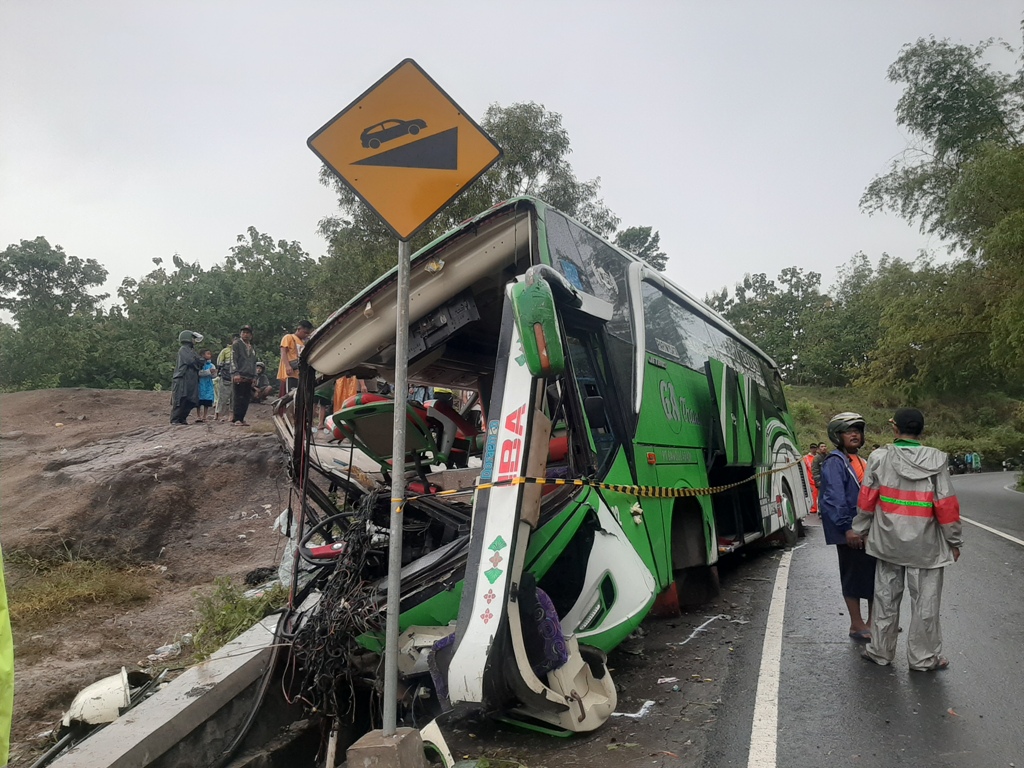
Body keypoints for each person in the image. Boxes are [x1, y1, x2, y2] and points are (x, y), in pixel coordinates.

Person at [854, 408, 962, 671]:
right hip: (926, 545)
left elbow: (867, 500)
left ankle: (880, 652)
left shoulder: (879, 458)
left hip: (888, 542)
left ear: (895, 428)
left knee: (885, 597)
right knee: (926, 601)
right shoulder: (936, 460)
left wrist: (860, 529)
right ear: (921, 431)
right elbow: (946, 505)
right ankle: (923, 659)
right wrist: (954, 541)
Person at [818, 412, 874, 642]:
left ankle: (874, 622)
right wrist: (847, 528)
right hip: (850, 531)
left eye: (858, 431)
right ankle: (856, 624)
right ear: (837, 435)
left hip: (870, 530)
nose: (855, 435)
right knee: (852, 576)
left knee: (875, 577)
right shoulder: (835, 462)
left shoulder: (863, 461)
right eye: (849, 431)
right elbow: (833, 498)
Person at [170, 330, 206, 425]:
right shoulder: (183, 349)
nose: (194, 340)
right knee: (181, 399)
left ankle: (183, 418)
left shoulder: (192, 350)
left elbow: (201, 361)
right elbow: (191, 361)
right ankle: (175, 419)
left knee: (191, 399)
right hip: (182, 378)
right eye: (193, 338)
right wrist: (198, 361)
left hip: (192, 378)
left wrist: (198, 361)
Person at [278, 320, 314, 397]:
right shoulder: (289, 337)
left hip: (300, 373)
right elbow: (283, 352)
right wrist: (287, 366)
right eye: (305, 333)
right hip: (290, 373)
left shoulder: (304, 342)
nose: (306, 335)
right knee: (289, 396)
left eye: (308, 334)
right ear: (299, 328)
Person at [231, 325, 258, 426]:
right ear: (240, 334)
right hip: (239, 374)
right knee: (238, 397)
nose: (245, 334)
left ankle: (242, 418)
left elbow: (254, 362)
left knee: (246, 398)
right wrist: (235, 373)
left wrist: (255, 376)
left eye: (247, 333)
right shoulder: (237, 344)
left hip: (249, 376)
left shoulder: (251, 347)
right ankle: (236, 419)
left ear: (251, 335)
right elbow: (233, 359)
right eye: (243, 332)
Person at [214, 335, 237, 422]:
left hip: (236, 377)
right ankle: (218, 414)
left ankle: (231, 415)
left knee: (234, 397)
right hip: (225, 376)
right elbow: (219, 363)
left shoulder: (242, 352)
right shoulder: (225, 351)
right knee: (222, 396)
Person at [196, 350, 216, 422]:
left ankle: (205, 416)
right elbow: (199, 373)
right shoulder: (199, 365)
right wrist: (209, 372)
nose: (209, 355)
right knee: (199, 401)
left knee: (207, 401)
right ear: (203, 355)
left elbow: (214, 376)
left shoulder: (212, 365)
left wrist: (214, 373)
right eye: (207, 354)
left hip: (208, 384)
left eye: (210, 354)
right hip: (200, 384)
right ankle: (198, 416)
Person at [803, 442, 820, 514]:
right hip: (811, 480)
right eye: (812, 448)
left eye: (815, 448)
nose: (814, 449)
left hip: (819, 479)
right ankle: (814, 509)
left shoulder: (819, 457)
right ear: (810, 449)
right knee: (813, 495)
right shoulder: (806, 458)